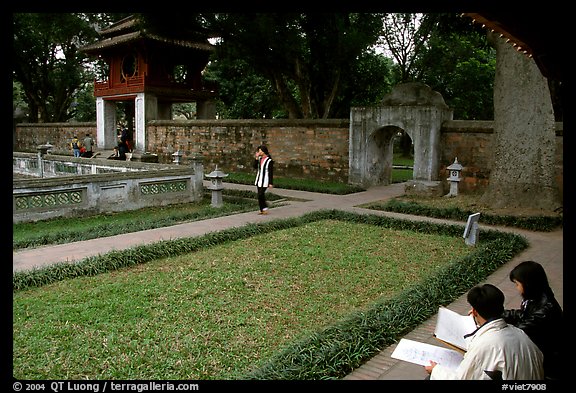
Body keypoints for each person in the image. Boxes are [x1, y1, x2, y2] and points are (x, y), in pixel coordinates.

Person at [425, 283, 544, 380]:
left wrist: (436, 370)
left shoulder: (484, 345)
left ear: (475, 311)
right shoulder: (520, 333)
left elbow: (462, 378)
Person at [502, 261, 563, 380]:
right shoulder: (535, 298)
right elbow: (522, 315)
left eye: (517, 284)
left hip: (549, 363)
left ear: (529, 284)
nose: (516, 288)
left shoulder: (545, 310)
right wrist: (493, 313)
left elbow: (519, 331)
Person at [253, 145, 273, 215]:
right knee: (259, 195)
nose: (259, 152)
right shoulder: (259, 159)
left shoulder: (269, 161)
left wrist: (270, 183)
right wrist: (256, 158)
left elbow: (271, 172)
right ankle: (262, 209)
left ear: (264, 151)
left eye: (260, 151)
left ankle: (264, 208)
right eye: (259, 151)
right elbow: (254, 167)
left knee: (261, 194)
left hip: (265, 180)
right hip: (259, 179)